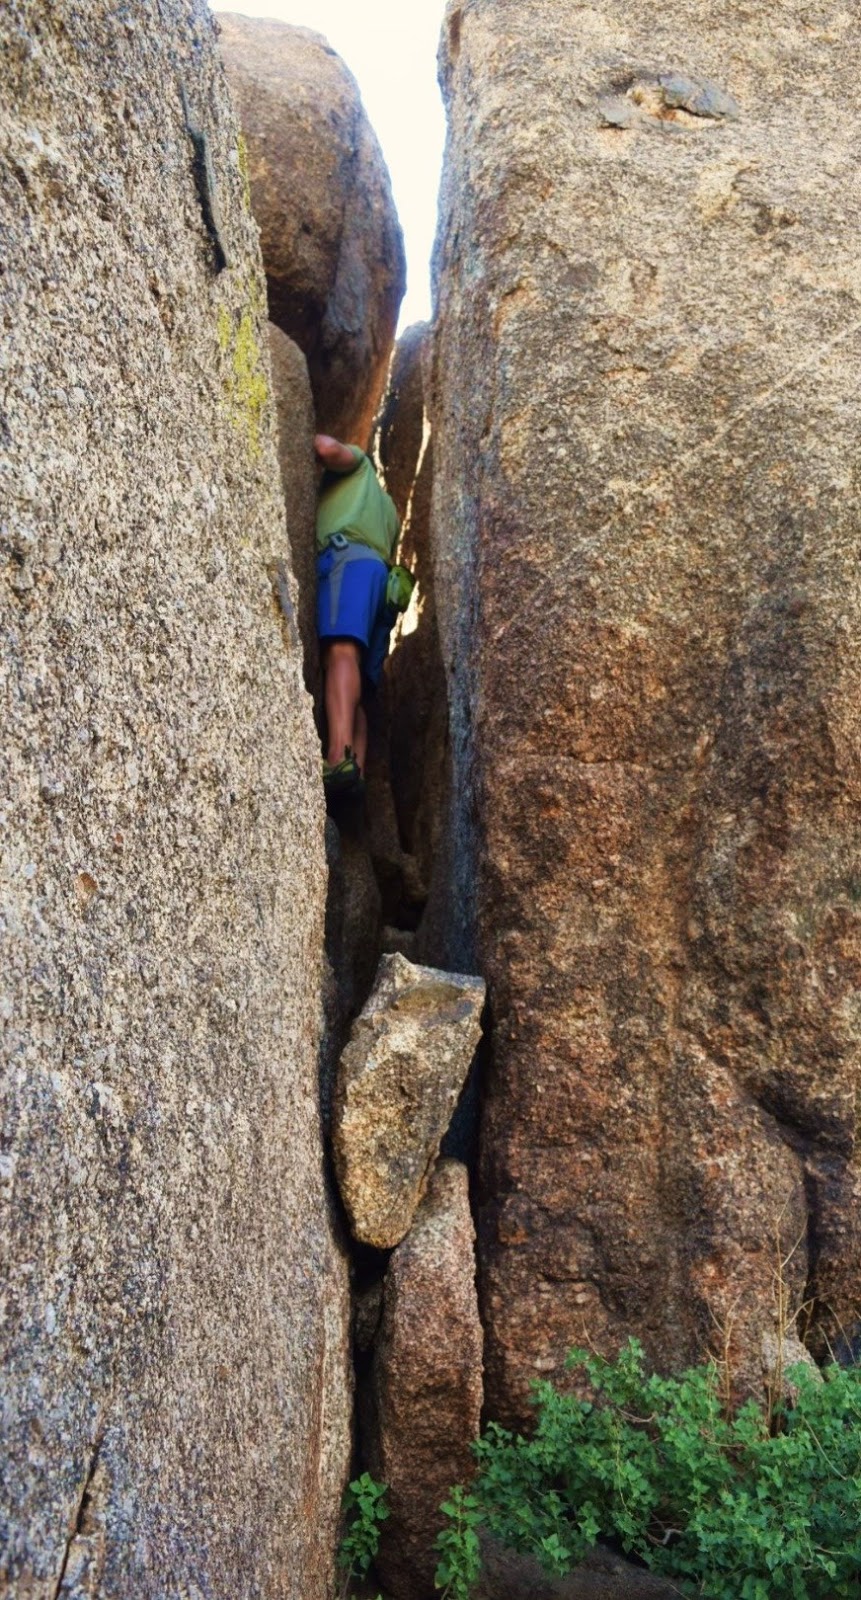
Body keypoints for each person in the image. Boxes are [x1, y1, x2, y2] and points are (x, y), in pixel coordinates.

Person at [314, 433, 400, 800]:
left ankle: (338, 758)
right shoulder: (391, 510)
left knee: (341, 653)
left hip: (349, 560)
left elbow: (326, 448)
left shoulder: (360, 465)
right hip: (384, 583)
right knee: (360, 689)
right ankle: (357, 774)